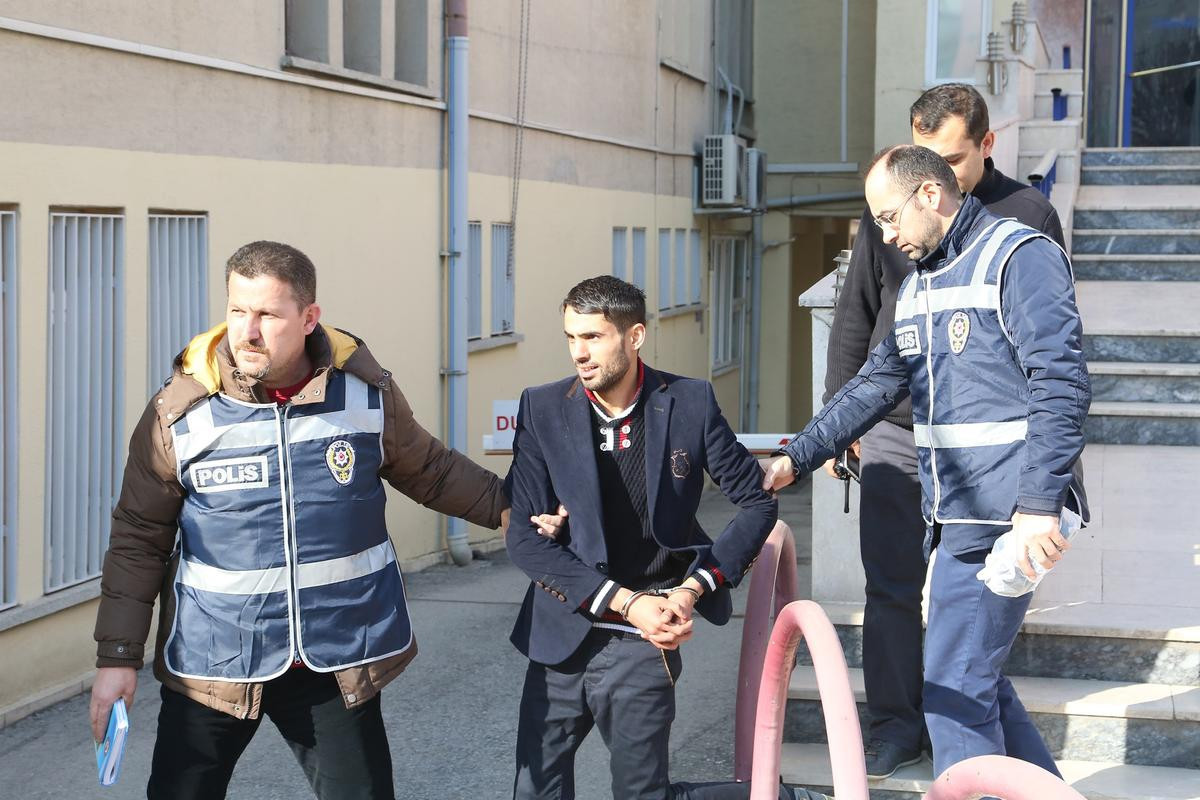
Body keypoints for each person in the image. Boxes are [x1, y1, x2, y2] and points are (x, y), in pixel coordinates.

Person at [88, 241, 559, 799]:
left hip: (333, 659)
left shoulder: (364, 394)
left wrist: (511, 510)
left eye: (268, 315)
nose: (248, 332)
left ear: (310, 317)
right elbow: (138, 538)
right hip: (213, 662)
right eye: (237, 311)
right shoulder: (179, 412)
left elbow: (430, 470)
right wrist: (117, 658)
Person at [762, 145, 1089, 780]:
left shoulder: (1019, 256)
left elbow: (1062, 383)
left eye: (889, 218)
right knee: (976, 681)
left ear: (930, 195)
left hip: (1009, 519)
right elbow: (874, 384)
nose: (884, 235)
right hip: (959, 520)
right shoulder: (921, 284)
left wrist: (1038, 507)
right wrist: (794, 458)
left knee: (955, 692)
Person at [504, 276, 825, 800]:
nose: (579, 353)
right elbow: (523, 537)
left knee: (642, 795)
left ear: (635, 336)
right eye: (571, 338)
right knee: (534, 793)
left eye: (593, 337)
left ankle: (780, 797)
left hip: (645, 640)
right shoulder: (542, 407)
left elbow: (757, 502)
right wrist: (623, 601)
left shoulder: (689, 402)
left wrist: (694, 587)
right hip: (562, 633)